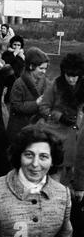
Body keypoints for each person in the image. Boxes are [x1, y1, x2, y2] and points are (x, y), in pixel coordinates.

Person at [0, 124, 73, 237]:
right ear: (19, 156)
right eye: (29, 155)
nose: (35, 164)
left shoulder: (62, 194)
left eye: (43, 157)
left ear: (52, 160)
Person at [39, 53, 84, 185]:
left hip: (78, 136)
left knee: (76, 173)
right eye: (68, 75)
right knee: (57, 176)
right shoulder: (55, 85)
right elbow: (43, 107)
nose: (71, 79)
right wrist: (59, 116)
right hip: (58, 135)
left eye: (75, 76)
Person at [6, 47, 50, 142]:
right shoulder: (19, 83)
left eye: (45, 68)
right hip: (20, 127)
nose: (44, 71)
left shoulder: (46, 82)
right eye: (41, 68)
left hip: (38, 127)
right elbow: (16, 105)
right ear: (31, 66)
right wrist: (36, 104)